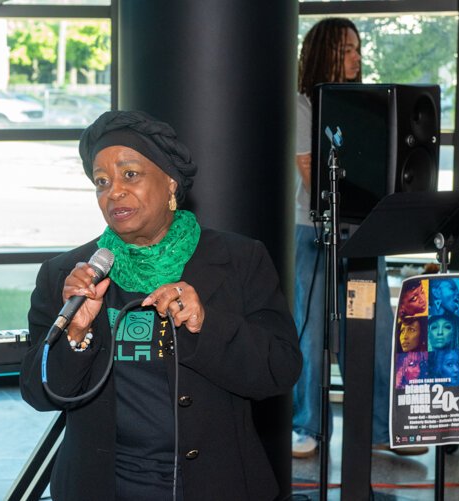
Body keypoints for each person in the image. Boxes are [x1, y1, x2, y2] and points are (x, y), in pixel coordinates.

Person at [20, 110, 302, 500]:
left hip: (216, 485)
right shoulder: (68, 275)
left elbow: (279, 370)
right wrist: (76, 334)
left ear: (170, 181)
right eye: (101, 182)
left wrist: (206, 324)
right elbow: (39, 392)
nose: (113, 191)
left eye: (129, 174)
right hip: (103, 487)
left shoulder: (239, 260)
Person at [292, 16, 402, 458]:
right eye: (346, 50)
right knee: (312, 335)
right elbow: (311, 171)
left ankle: (378, 429)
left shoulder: (367, 107)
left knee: (373, 333)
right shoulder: (301, 107)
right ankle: (308, 427)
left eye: (358, 49)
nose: (357, 58)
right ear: (323, 54)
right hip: (311, 235)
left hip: (363, 233)